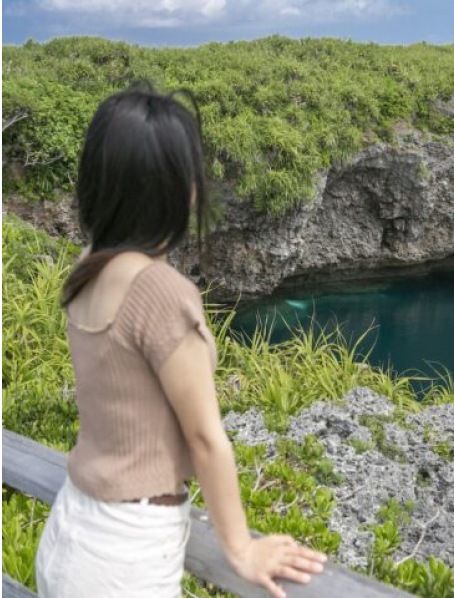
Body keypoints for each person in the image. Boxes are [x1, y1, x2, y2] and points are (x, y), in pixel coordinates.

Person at [34, 81, 327, 598]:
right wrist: (240, 548)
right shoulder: (161, 293)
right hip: (126, 559)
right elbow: (205, 438)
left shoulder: (88, 269)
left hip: (73, 530)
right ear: (175, 188)